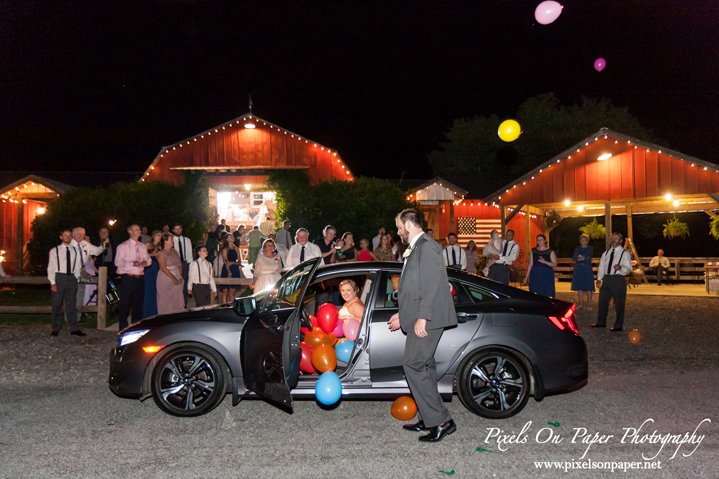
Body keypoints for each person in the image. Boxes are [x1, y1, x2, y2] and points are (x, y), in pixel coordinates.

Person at [388, 209, 457, 442]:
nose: (398, 232)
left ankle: (440, 421)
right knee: (425, 366)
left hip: (430, 317)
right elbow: (412, 287)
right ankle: (432, 417)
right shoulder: (416, 246)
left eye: (399, 227)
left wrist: (422, 317)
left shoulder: (427, 246)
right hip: (420, 315)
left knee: (413, 365)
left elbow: (430, 286)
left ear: (409, 224)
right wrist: (403, 314)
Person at [47, 229, 85, 336]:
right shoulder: (55, 251)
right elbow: (51, 268)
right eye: (65, 235)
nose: (67, 236)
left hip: (71, 278)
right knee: (57, 305)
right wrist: (53, 282)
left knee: (71, 305)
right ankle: (55, 328)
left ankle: (74, 329)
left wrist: (76, 277)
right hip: (60, 277)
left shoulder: (75, 250)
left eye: (69, 235)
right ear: (61, 237)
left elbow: (78, 265)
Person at [592, 232, 632, 332]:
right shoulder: (606, 253)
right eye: (612, 238)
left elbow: (629, 268)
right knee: (602, 301)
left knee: (619, 303)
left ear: (620, 241)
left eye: (616, 238)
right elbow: (602, 267)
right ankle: (601, 322)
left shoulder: (624, 253)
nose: (613, 239)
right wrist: (599, 279)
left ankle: (618, 325)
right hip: (606, 279)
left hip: (618, 279)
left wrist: (621, 267)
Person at [115, 224, 152, 331]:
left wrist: (145, 263)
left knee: (138, 305)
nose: (139, 231)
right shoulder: (123, 246)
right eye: (136, 230)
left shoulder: (142, 246)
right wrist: (132, 263)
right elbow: (118, 262)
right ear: (130, 231)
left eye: (139, 229)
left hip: (140, 278)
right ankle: (123, 328)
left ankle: (136, 328)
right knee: (125, 304)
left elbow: (148, 260)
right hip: (128, 278)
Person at [70, 227, 106, 324]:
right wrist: (76, 274)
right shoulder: (69, 245)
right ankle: (69, 317)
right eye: (79, 234)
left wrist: (103, 244)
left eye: (83, 234)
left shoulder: (85, 244)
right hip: (71, 270)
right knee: (71, 293)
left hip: (82, 269)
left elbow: (97, 251)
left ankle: (78, 316)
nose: (81, 236)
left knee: (80, 292)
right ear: (73, 235)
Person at [156, 233, 185, 314]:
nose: (173, 241)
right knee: (166, 300)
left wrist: (180, 277)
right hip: (166, 278)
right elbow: (164, 268)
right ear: (165, 241)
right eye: (171, 239)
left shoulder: (175, 251)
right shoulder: (161, 253)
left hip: (177, 275)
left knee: (178, 299)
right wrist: (174, 279)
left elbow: (180, 265)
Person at [571, 235, 595, 311]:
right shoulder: (577, 248)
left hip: (587, 268)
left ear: (587, 241)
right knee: (579, 286)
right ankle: (581, 304)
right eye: (581, 240)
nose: (583, 242)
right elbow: (574, 257)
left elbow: (588, 258)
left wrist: (581, 257)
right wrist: (581, 257)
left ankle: (589, 304)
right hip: (578, 268)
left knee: (588, 286)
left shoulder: (590, 248)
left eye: (584, 240)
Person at [172, 223, 193, 307]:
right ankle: (175, 303)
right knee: (175, 284)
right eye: (176, 229)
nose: (178, 231)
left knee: (184, 283)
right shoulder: (171, 240)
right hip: (174, 264)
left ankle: (184, 303)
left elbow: (189, 254)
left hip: (184, 263)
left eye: (179, 229)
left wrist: (190, 266)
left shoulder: (187, 240)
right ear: (173, 230)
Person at [142, 230, 162, 318]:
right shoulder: (147, 244)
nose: (159, 237)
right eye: (157, 235)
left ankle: (155, 312)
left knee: (156, 289)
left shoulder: (160, 246)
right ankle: (146, 313)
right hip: (149, 267)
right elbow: (142, 256)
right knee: (148, 290)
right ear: (153, 236)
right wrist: (152, 254)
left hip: (157, 267)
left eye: (160, 235)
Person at [220, 235, 243, 303]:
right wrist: (229, 272)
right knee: (225, 291)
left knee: (232, 292)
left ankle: (231, 306)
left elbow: (239, 262)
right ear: (227, 239)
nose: (233, 237)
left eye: (233, 236)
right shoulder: (225, 249)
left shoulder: (236, 248)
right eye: (230, 236)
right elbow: (226, 261)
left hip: (235, 269)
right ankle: (224, 307)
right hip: (226, 269)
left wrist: (232, 262)